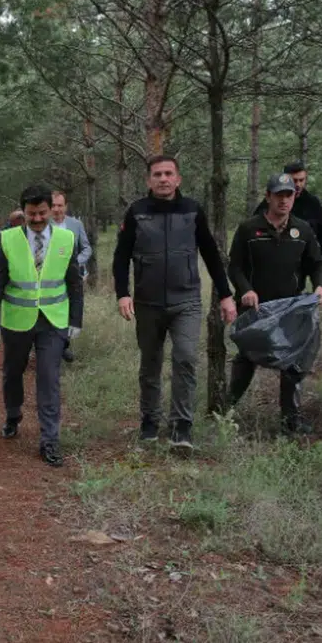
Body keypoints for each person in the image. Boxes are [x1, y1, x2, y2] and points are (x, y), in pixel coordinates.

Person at [112, 155, 238, 452]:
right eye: (157, 174)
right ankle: (150, 423)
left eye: (169, 173)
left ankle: (181, 427)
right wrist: (122, 293)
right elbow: (121, 257)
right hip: (147, 302)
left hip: (186, 301)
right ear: (148, 180)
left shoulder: (192, 210)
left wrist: (226, 294)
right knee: (150, 364)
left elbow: (210, 253)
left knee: (184, 359)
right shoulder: (137, 212)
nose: (163, 179)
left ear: (178, 179)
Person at [0, 185, 85, 467]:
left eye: (43, 212)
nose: (38, 219)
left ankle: (50, 440)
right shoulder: (7, 240)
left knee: (48, 378)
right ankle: (13, 413)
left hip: (53, 320)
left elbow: (74, 284)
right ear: (23, 213)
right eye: (32, 214)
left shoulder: (67, 238)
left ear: (51, 209)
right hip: (17, 320)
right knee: (12, 372)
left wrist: (75, 320)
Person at [228, 173, 322, 436]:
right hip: (256, 309)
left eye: (289, 195)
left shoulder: (302, 229)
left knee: (293, 361)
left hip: (290, 309)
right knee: (247, 359)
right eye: (279, 195)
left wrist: (321, 286)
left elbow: (316, 263)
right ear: (268, 197)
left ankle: (290, 421)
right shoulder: (249, 229)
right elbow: (235, 266)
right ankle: (224, 413)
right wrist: (246, 290)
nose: (284, 200)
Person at [255, 160, 322, 278]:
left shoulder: (312, 202)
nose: (298, 184)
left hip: (307, 255)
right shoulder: (272, 201)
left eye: (301, 180)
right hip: (280, 258)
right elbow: (255, 228)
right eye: (294, 180)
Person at [50, 190, 93, 363]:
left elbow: (87, 248)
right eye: (53, 205)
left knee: (70, 312)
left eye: (60, 205)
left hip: (72, 276)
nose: (56, 209)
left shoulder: (75, 224)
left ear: (65, 207)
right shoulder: (42, 225)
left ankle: (63, 346)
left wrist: (76, 262)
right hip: (50, 278)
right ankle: (51, 348)